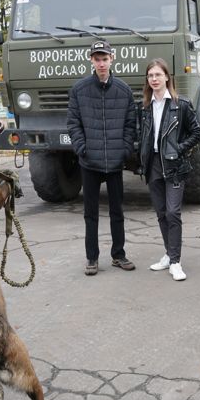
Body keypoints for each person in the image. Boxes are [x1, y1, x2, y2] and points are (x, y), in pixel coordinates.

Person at [67, 40, 137, 276]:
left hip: (115, 162)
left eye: (104, 58)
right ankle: (92, 258)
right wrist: (81, 147)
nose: (101, 63)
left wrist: (125, 149)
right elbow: (73, 123)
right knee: (91, 214)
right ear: (91, 61)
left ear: (112, 59)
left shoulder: (124, 90)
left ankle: (119, 255)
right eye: (97, 59)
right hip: (90, 162)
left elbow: (130, 124)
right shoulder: (79, 89)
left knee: (117, 211)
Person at [138, 58, 200, 281]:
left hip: (174, 164)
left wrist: (177, 149)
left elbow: (197, 133)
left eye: (158, 75)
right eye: (150, 76)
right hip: (152, 164)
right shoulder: (144, 107)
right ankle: (168, 253)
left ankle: (175, 262)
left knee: (173, 212)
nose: (154, 79)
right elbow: (142, 136)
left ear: (167, 77)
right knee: (161, 213)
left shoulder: (180, 104)